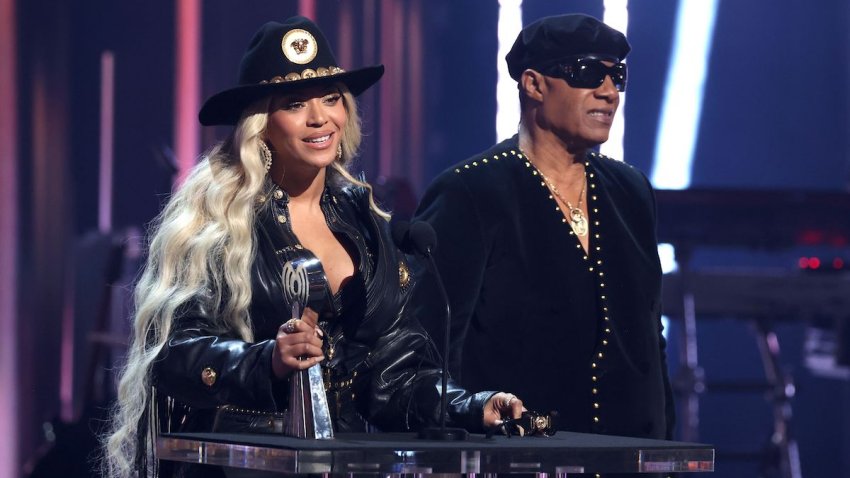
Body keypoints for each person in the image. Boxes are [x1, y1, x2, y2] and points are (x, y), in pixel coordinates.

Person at [102, 16, 523, 478]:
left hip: (347, 462)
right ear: (261, 123)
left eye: (331, 99)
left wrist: (470, 406)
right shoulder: (216, 221)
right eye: (296, 103)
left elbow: (394, 372)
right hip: (241, 461)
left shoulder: (364, 219)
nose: (320, 117)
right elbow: (175, 355)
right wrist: (268, 361)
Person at [410, 13, 674, 447]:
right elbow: (425, 352)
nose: (608, 93)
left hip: (633, 457)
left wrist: (666, 454)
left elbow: (650, 339)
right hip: (519, 456)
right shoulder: (471, 192)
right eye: (588, 73)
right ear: (533, 84)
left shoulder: (632, 191)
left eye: (617, 77)